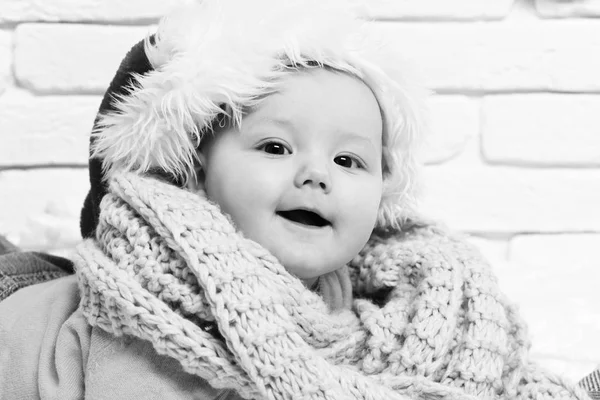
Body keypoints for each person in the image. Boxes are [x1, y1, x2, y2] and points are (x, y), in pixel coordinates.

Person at [0, 0, 595, 399]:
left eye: (349, 160)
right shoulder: (150, 313)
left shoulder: (369, 297)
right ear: (197, 172)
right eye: (276, 146)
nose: (317, 176)